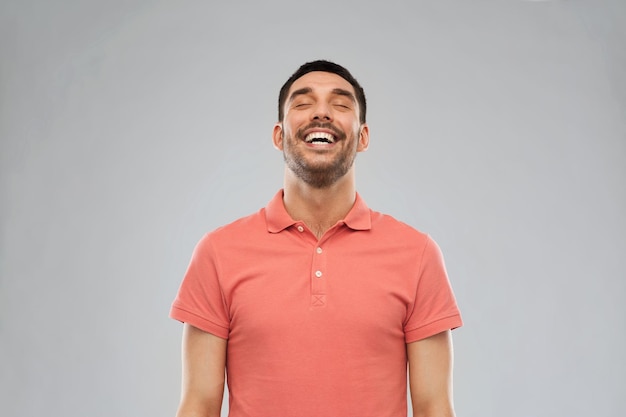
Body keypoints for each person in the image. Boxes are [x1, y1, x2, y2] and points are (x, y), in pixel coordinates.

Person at [170, 60, 463, 417]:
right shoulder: (217, 253)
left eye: (340, 105)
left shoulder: (417, 254)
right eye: (303, 103)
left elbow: (435, 408)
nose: (321, 113)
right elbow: (198, 405)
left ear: (363, 137)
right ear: (279, 135)